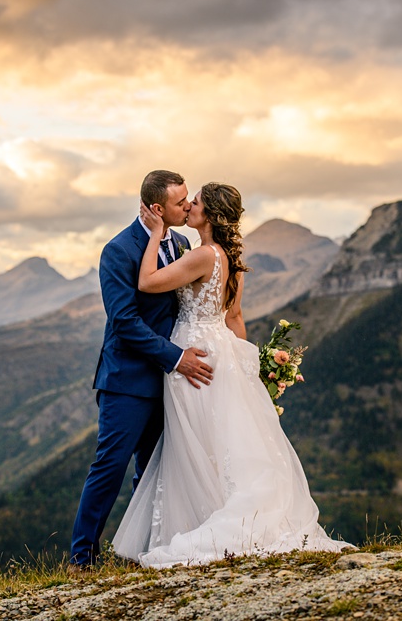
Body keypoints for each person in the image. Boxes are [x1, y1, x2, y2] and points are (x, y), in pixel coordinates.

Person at [112, 182, 355, 568]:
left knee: (193, 444)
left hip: (193, 356)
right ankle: (212, 514)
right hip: (221, 353)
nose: (189, 206)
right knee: (220, 440)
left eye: (197, 203)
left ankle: (199, 526)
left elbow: (146, 283)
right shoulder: (230, 260)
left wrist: (156, 234)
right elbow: (235, 318)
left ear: (208, 215)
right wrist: (247, 373)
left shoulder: (203, 256)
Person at [69, 170, 215, 571]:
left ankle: (144, 552)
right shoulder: (118, 250)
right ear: (157, 209)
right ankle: (82, 558)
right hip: (128, 380)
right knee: (110, 467)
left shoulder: (183, 242)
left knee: (154, 470)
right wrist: (175, 357)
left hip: (171, 381)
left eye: (189, 199)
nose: (187, 206)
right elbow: (125, 321)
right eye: (179, 202)